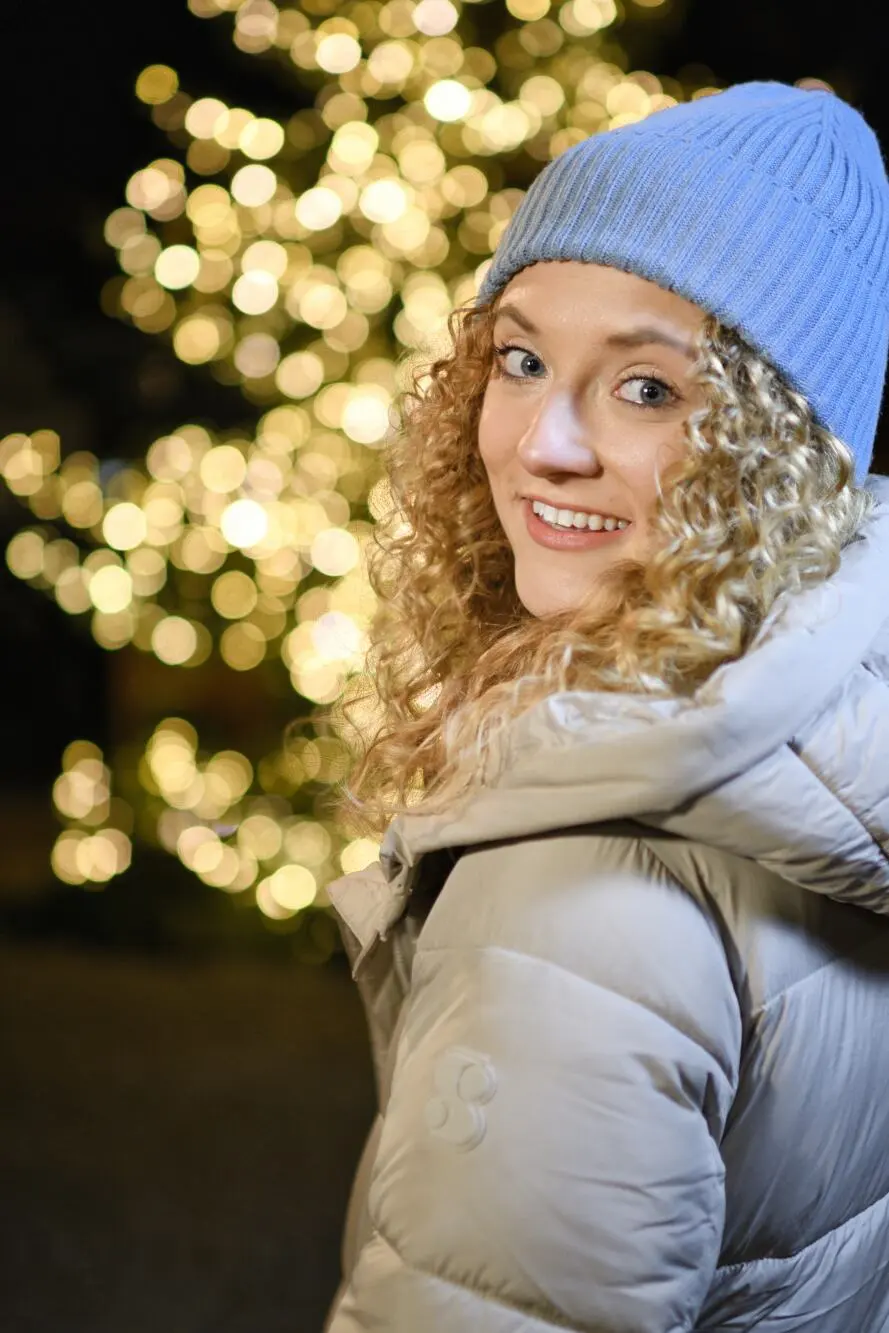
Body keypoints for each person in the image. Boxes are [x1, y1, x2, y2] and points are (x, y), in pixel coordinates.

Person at [322, 80, 889, 1331]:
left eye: (647, 388)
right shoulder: (847, 709)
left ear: (784, 444)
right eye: (520, 359)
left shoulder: (577, 894)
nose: (542, 442)